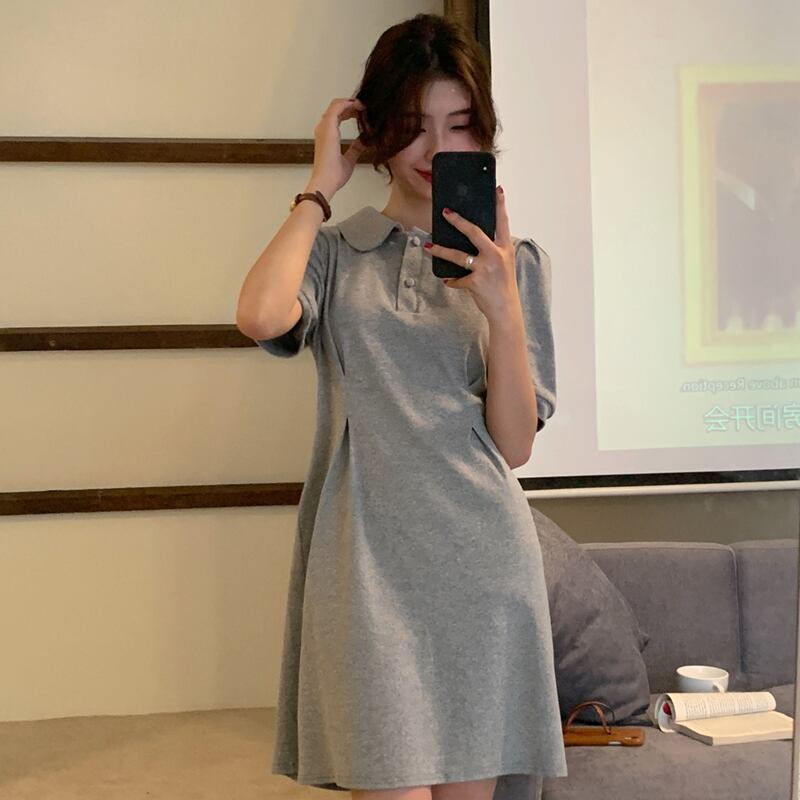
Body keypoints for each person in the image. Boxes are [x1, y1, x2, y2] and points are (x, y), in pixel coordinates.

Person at [236, 13, 566, 800]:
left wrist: (502, 308)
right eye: (414, 126)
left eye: (460, 124)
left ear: (485, 133)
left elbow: (514, 446)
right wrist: (319, 187)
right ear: (378, 131)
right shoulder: (334, 252)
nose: (436, 149)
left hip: (483, 571)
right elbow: (259, 315)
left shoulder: (516, 265)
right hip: (366, 574)